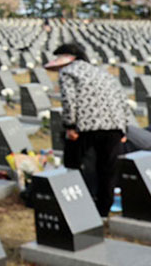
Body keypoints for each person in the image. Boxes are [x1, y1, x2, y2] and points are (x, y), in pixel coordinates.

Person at [46, 43, 132, 217]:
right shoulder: (102, 73)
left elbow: (69, 100)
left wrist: (70, 125)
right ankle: (103, 210)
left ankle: (73, 201)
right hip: (114, 126)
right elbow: (122, 100)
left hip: (86, 126)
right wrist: (124, 129)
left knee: (72, 165)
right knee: (107, 170)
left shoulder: (68, 72)